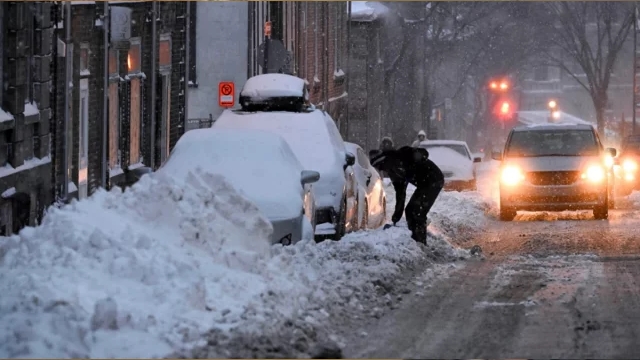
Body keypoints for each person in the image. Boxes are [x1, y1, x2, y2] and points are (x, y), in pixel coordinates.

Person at [370, 146, 444, 245]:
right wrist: (396, 217)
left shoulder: (402, 154)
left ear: (385, 160)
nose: (383, 170)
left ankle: (421, 242)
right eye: (380, 168)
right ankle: (415, 240)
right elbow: (400, 195)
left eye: (381, 166)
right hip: (423, 184)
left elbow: (423, 153)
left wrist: (419, 156)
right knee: (410, 211)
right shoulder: (394, 174)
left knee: (418, 212)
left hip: (434, 179)